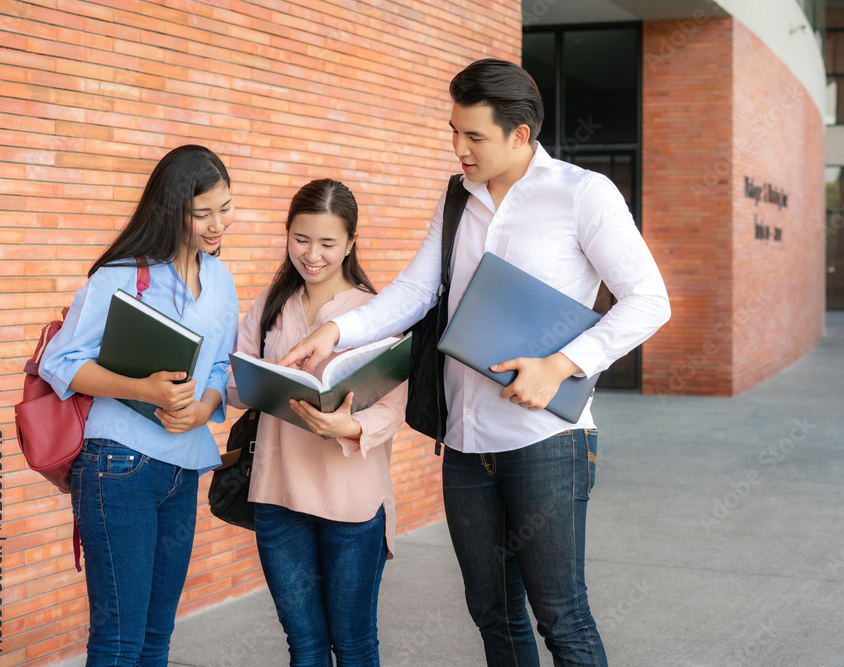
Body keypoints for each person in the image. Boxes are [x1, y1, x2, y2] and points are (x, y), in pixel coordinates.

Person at [280, 59, 671, 666]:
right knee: (494, 616)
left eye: (474, 137)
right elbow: (415, 292)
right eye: (454, 132)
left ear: (521, 134)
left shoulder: (583, 194)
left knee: (561, 617)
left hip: (547, 438)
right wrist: (337, 328)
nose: (459, 148)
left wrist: (563, 364)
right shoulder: (457, 199)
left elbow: (650, 300)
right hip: (465, 442)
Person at [40, 145, 239, 666]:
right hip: (118, 465)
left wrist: (205, 407)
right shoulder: (121, 275)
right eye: (203, 214)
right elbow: (60, 363)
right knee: (120, 640)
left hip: (184, 467)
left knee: (156, 636)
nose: (218, 225)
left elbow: (219, 367)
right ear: (173, 210)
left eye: (226, 207)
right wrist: (144, 389)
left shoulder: (221, 280)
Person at [226, 178, 407, 666]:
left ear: (350, 243)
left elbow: (392, 410)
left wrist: (347, 428)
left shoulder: (375, 312)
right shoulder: (270, 305)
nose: (313, 255)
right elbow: (235, 382)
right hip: (277, 496)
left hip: (351, 502)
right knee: (304, 647)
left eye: (328, 243)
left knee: (352, 646)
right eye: (301, 239)